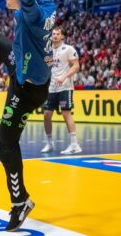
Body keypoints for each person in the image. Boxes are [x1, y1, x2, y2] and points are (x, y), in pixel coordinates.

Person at [0, 0, 88, 231]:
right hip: (27, 74)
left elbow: (28, 2)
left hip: (27, 90)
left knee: (4, 144)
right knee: (0, 43)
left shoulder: (31, 14)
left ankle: (21, 202)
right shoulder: (44, 1)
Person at [41, 26, 81, 155]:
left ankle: (74, 144)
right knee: (46, 115)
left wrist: (64, 77)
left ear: (62, 36)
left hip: (65, 87)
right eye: (53, 33)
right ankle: (49, 143)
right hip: (51, 88)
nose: (55, 35)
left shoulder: (68, 49)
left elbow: (76, 66)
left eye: (58, 33)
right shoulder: (47, 51)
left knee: (66, 114)